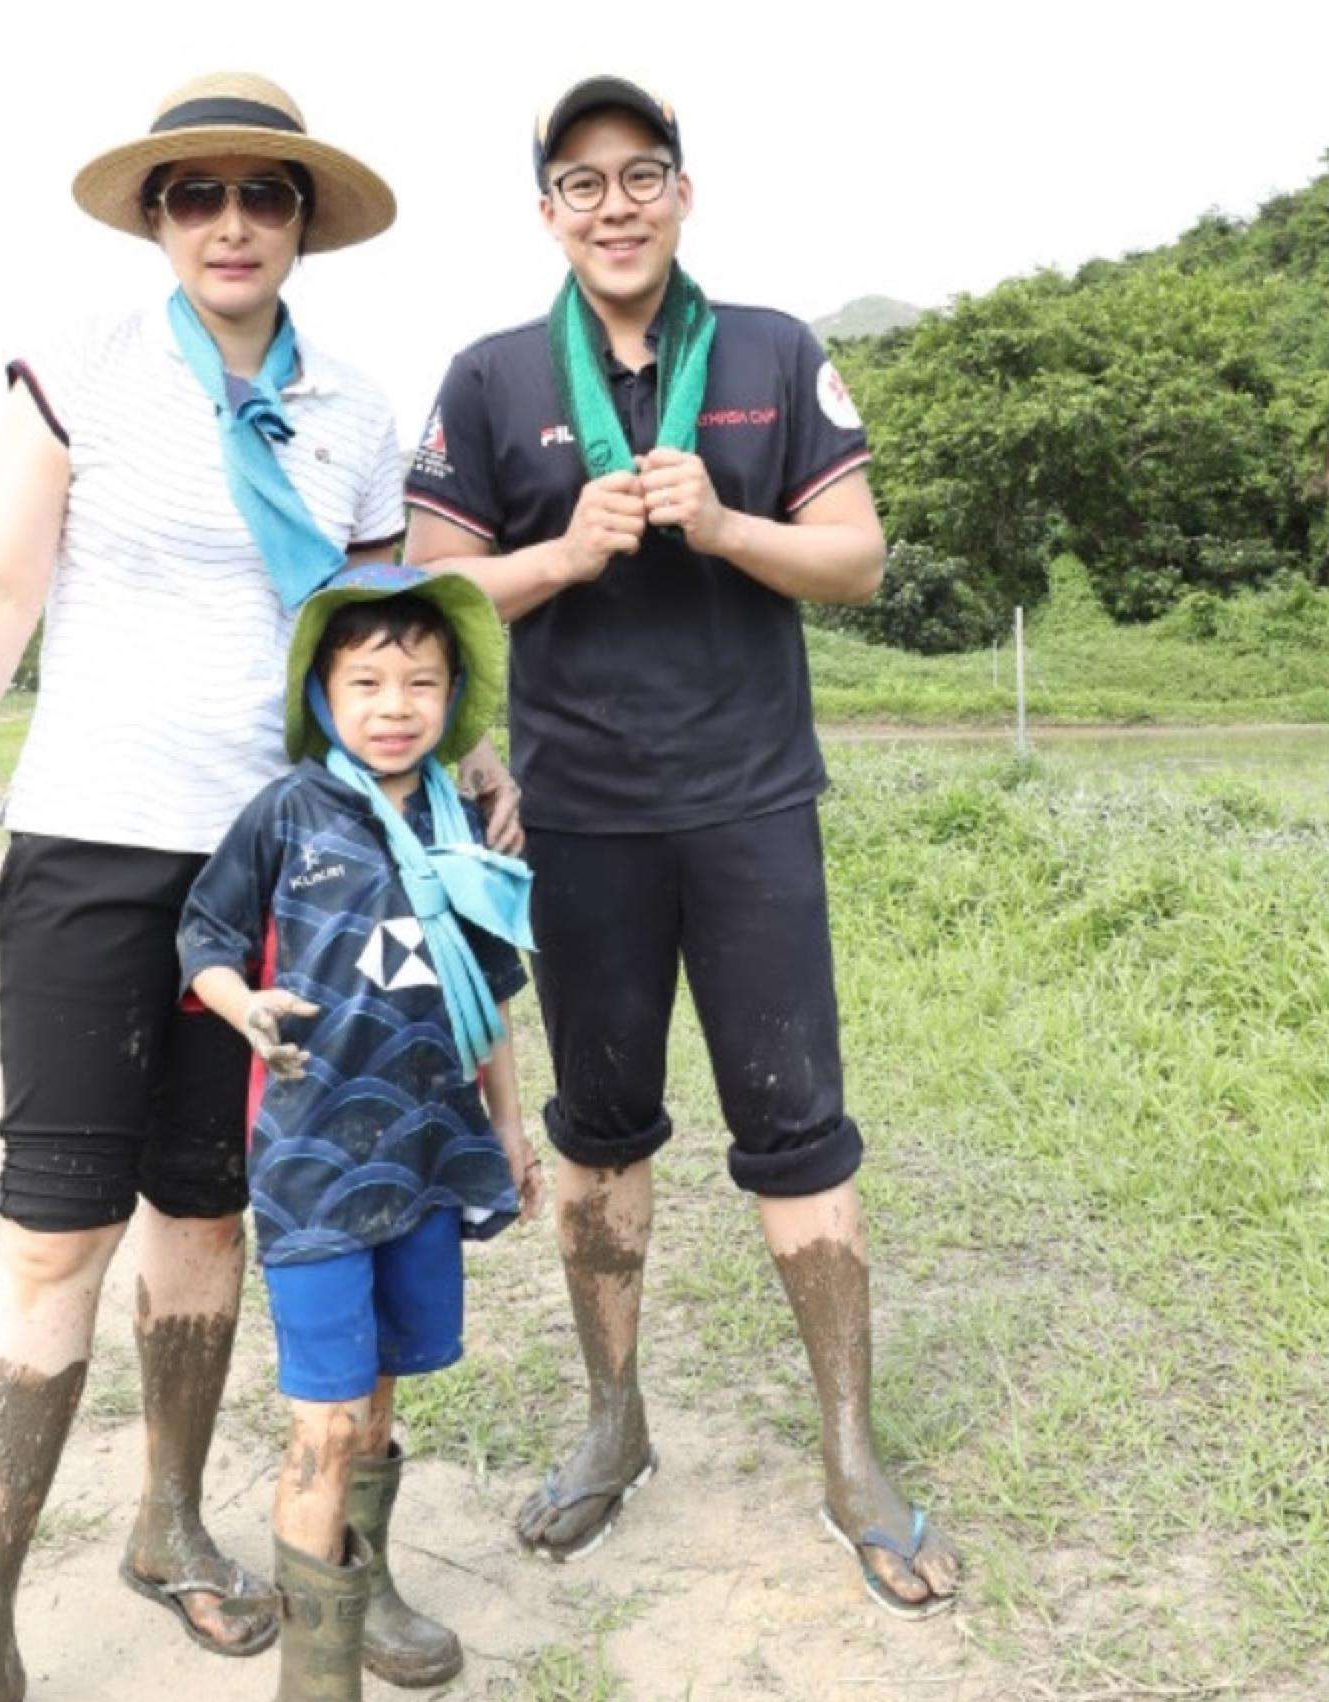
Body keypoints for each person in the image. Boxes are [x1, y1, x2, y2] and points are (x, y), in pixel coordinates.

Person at [0, 73, 517, 1702]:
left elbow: (377, 649)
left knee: (221, 1215)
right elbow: (3, 590)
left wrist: (451, 791)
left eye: (265, 195)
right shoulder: (81, 363)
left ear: (304, 221)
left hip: (290, 865)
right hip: (89, 844)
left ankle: (172, 1521)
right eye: (196, 193)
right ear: (156, 219)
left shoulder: (359, 408)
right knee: (56, 1233)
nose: (231, 220)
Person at [404, 76, 962, 1618]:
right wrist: (566, 553)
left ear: (681, 192)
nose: (612, 204)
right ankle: (612, 1419)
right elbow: (433, 601)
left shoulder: (774, 352)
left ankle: (848, 1453)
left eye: (637, 173)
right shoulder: (491, 373)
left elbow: (852, 558)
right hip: (575, 818)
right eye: (578, 184)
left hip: (749, 806)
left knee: (800, 1128)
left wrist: (720, 528)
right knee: (597, 1135)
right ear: (546, 216)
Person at [179, 562, 539, 1702]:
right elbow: (204, 938)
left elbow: (484, 990)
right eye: (367, 681)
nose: (394, 705)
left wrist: (506, 1120)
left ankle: (367, 1587)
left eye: (421, 682)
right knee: (324, 1425)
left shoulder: (462, 824)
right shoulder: (285, 813)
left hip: (429, 1159)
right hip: (318, 1170)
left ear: (454, 697)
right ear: (322, 693)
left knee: (383, 1393)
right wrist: (244, 1010)